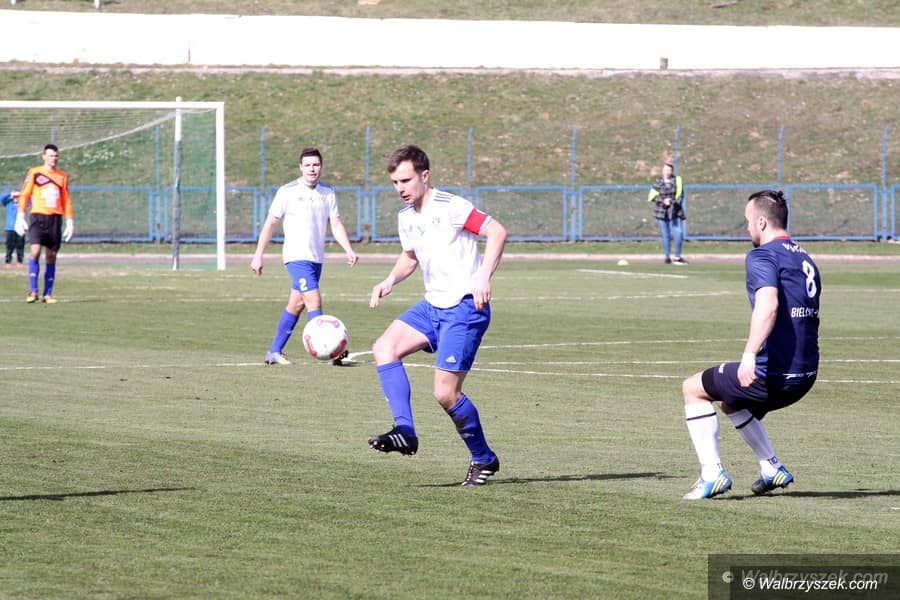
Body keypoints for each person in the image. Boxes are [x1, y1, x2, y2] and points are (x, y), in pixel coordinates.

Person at [367, 144, 508, 487]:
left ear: (425, 175)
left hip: (464, 307)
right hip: (433, 306)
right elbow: (410, 257)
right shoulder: (406, 217)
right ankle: (405, 431)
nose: (400, 188)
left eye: (405, 180)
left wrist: (483, 276)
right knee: (384, 348)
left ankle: (484, 458)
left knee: (445, 394)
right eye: (395, 182)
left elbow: (497, 231)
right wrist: (390, 279)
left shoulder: (450, 206)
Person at [681, 189, 820, 499]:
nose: (746, 228)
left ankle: (711, 474)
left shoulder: (763, 255)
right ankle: (771, 468)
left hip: (776, 375)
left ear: (761, 222)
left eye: (747, 221)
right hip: (806, 375)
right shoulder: (804, 258)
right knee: (732, 401)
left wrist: (749, 355)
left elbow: (768, 304)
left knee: (693, 389)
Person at [250, 147, 358, 366]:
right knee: (313, 300)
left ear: (321, 167)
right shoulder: (287, 191)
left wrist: (348, 249)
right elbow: (270, 223)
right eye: (307, 165)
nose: (312, 169)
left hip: (316, 259)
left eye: (316, 164)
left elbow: (336, 223)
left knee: (296, 304)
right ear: (300, 167)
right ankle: (330, 351)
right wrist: (258, 254)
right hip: (296, 257)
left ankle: (274, 351)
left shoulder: (327, 192)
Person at [15, 144, 74, 303]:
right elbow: (25, 194)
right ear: (44, 156)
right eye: (51, 155)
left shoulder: (62, 176)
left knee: (51, 255)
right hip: (38, 217)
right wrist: (20, 215)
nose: (54, 158)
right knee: (35, 251)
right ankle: (33, 291)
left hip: (55, 218)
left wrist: (69, 221)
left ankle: (47, 294)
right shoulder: (34, 172)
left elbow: (66, 200)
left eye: (56, 156)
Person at [648, 161, 687, 264]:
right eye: (665, 169)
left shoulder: (677, 180)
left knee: (678, 233)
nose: (667, 172)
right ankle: (667, 257)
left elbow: (680, 195)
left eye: (669, 170)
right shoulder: (658, 182)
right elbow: (651, 197)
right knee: (665, 235)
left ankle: (677, 257)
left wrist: (672, 202)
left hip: (675, 211)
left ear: (672, 171)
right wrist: (663, 201)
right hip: (661, 212)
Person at [3, 188, 25, 269]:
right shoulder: (8, 203)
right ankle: (8, 261)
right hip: (10, 228)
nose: (16, 198)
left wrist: (21, 195)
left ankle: (20, 261)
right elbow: (1, 198)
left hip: (20, 228)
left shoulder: (22, 203)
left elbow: (30, 200)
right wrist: (10, 194)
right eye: (15, 196)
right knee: (9, 246)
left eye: (17, 196)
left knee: (20, 246)